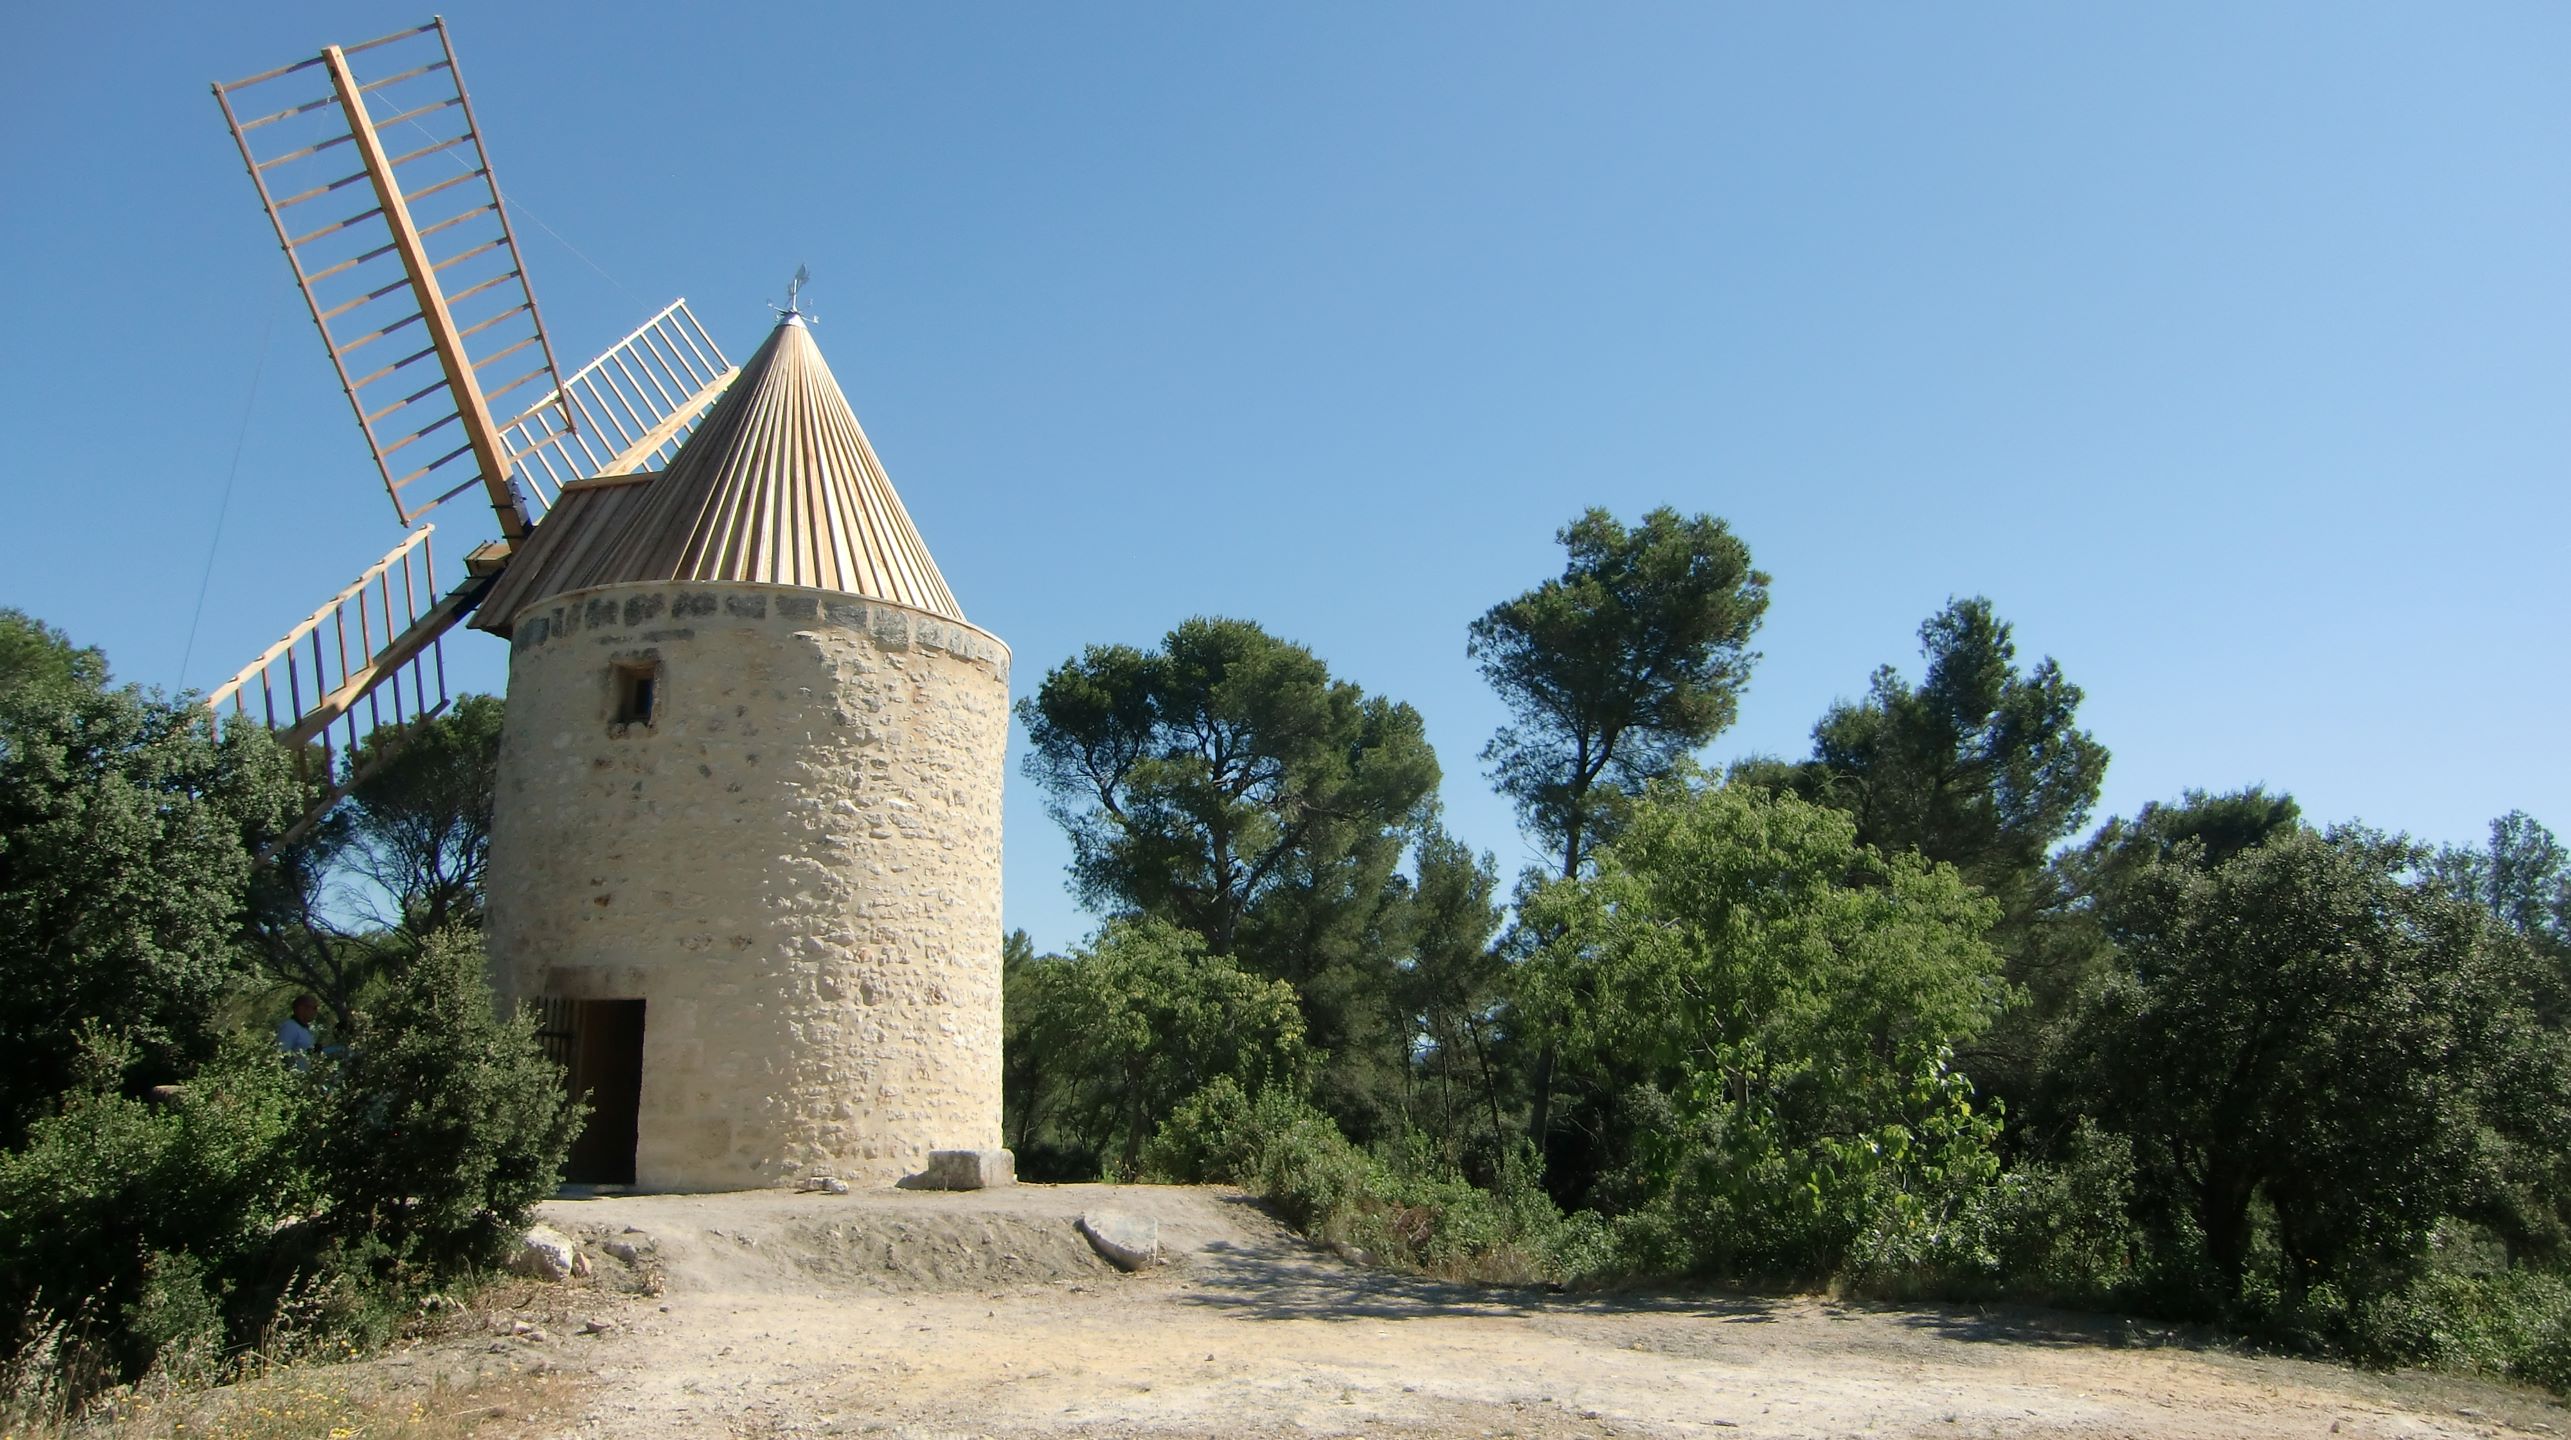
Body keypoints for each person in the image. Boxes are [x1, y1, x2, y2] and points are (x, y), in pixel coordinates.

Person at [277, 993, 319, 1068]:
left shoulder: (305, 1029)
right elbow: (282, 1055)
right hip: (293, 1074)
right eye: (314, 1008)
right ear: (301, 1008)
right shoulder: (290, 1027)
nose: (316, 1012)